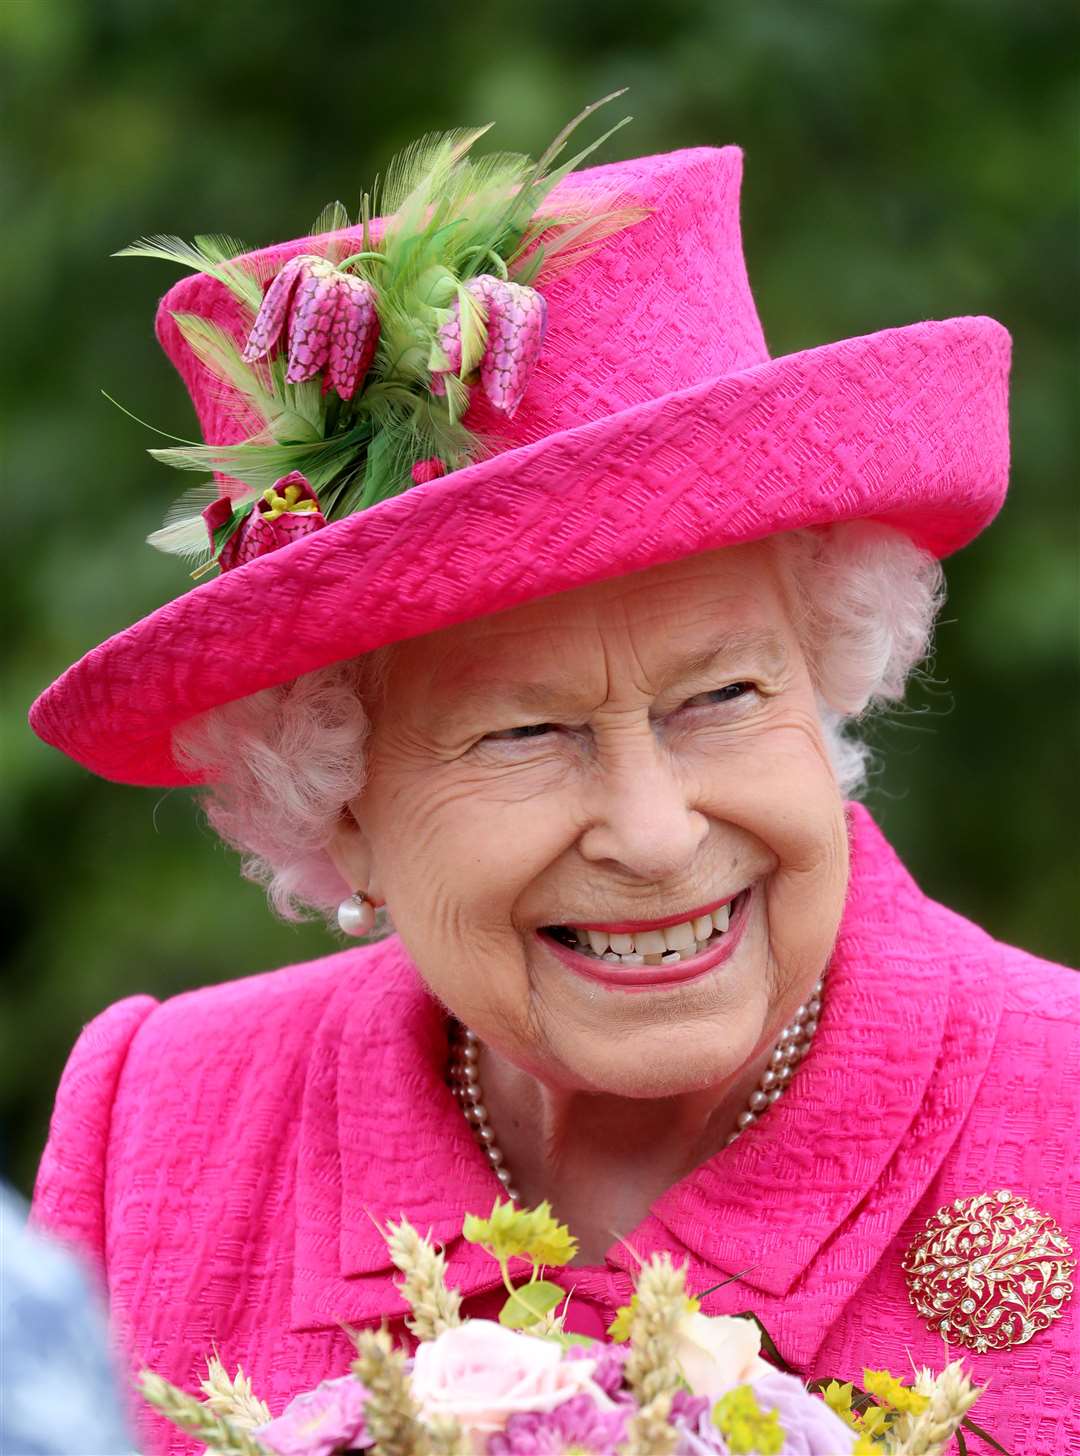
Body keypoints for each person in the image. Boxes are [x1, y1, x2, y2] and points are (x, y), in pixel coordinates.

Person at [27, 116, 1078, 1455]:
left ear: (827, 681)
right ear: (335, 802)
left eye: (722, 698)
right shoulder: (159, 1122)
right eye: (524, 736)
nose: (653, 832)